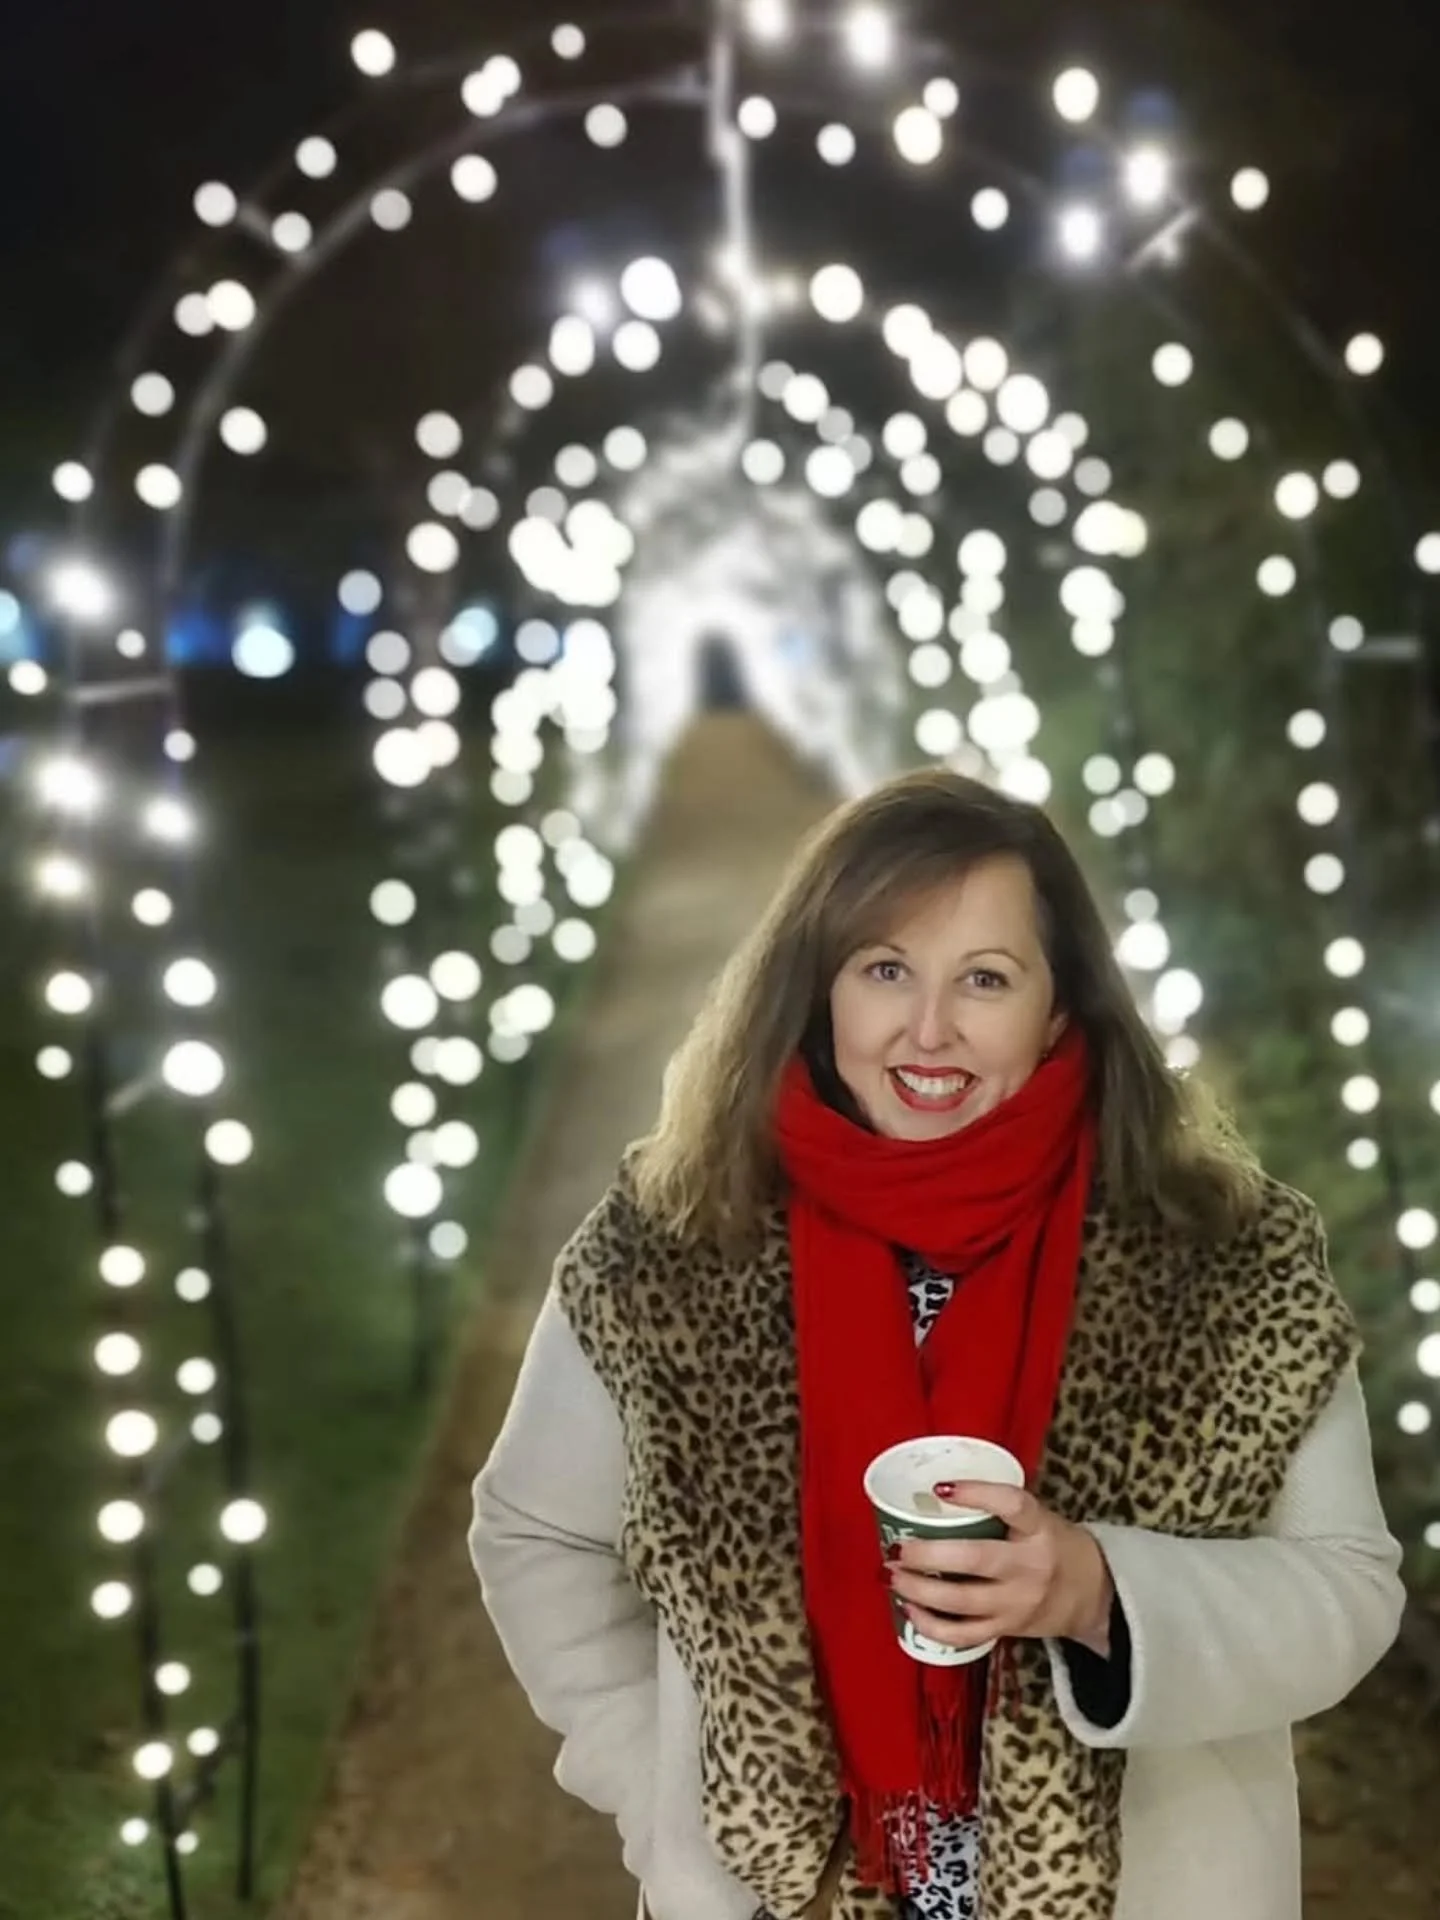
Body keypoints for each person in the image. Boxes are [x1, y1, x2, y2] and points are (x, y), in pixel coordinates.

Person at [469, 768, 1405, 1920]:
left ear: (1062, 1008)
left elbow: (1349, 1590)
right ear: (820, 992)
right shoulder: (676, 1241)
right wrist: (655, 1789)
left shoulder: (1222, 1256)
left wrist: (1100, 1593)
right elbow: (533, 1533)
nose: (928, 1030)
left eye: (987, 980)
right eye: (885, 970)